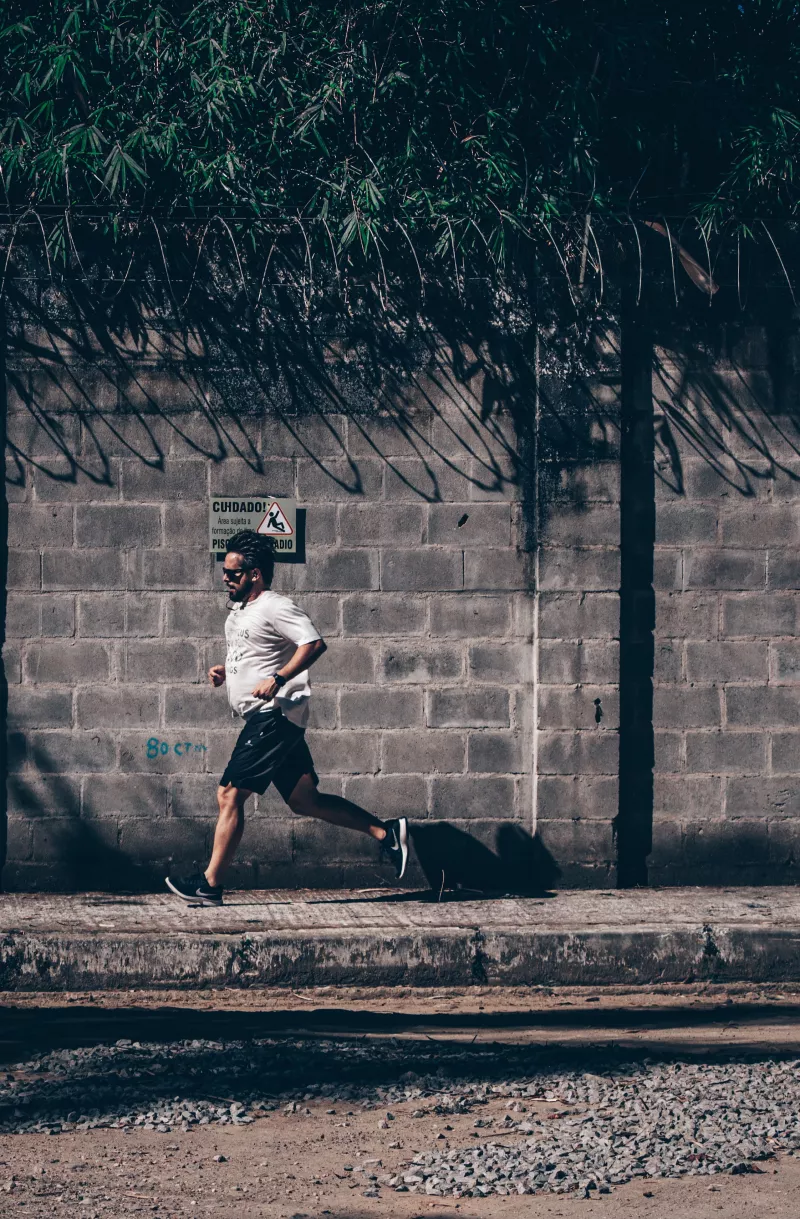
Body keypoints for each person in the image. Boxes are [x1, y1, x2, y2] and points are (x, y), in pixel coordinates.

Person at [166, 529, 408, 906]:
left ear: (255, 573)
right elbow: (256, 655)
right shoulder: (242, 611)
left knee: (229, 793)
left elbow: (313, 643)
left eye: (233, 573)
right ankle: (387, 833)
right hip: (270, 718)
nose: (225, 578)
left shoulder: (275, 605)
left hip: (273, 716)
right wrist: (227, 673)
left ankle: (209, 886)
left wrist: (279, 680)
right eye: (225, 571)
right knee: (304, 800)